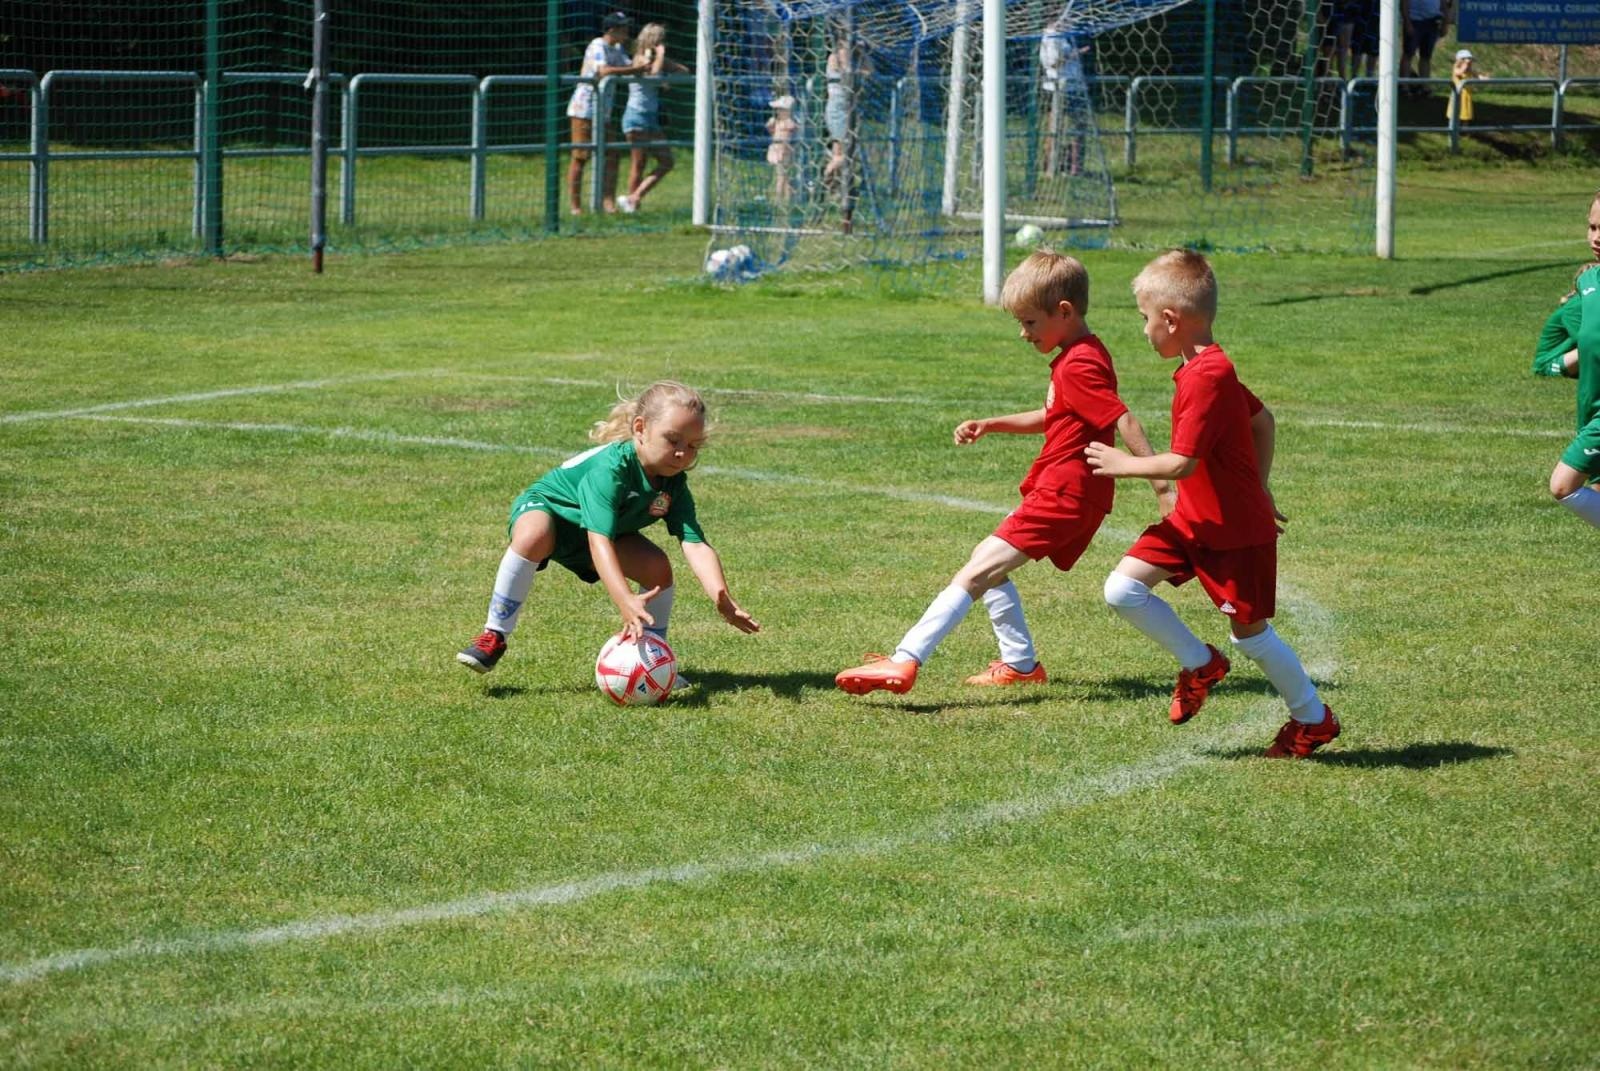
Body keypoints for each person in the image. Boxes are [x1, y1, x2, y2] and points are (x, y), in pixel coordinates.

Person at [835, 251, 1171, 696]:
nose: (1023, 334)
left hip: (1065, 493)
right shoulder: (1080, 354)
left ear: (1064, 312)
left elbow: (1122, 418)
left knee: (976, 572)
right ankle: (1020, 663)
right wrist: (992, 424)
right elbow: (1055, 414)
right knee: (986, 562)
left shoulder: (1081, 362)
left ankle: (905, 659)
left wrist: (1162, 485)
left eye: (1030, 322)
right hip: (1063, 491)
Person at [1085, 249, 1340, 759]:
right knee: (1122, 589)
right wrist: (1260, 485)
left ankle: (1313, 719)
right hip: (1192, 522)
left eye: (1144, 319)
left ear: (1171, 319)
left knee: (1251, 636)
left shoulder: (1207, 376)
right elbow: (1263, 420)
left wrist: (1122, 464)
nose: (1143, 330)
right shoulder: (1202, 366)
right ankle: (1201, 664)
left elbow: (1182, 464)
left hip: (1233, 533)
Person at [457, 381, 761, 679]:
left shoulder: (674, 485)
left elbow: (694, 543)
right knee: (533, 534)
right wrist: (624, 598)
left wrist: (720, 595)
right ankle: (494, 635)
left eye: (693, 446)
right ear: (640, 428)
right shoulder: (611, 469)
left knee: (657, 567)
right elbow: (598, 540)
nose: (683, 453)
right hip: (554, 515)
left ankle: (653, 656)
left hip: (601, 533)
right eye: (672, 440)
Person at [1530, 189, 1600, 531]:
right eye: (1592, 227)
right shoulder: (1589, 282)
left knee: (1563, 485)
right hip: (1590, 409)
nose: (1597, 237)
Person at [566, 11, 647, 216]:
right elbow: (604, 71)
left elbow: (630, 66)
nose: (627, 32)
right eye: (623, 28)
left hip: (603, 113)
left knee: (612, 154)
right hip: (584, 110)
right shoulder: (597, 45)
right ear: (612, 30)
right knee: (581, 157)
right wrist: (634, 70)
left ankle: (607, 202)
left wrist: (648, 61)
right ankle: (576, 208)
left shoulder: (617, 49)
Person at [618, 22, 690, 214]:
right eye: (661, 40)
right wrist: (661, 56)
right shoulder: (640, 58)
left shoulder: (657, 60)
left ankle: (633, 199)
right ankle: (632, 205)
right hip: (636, 116)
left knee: (666, 161)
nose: (663, 43)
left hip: (651, 118)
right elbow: (653, 73)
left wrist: (667, 70)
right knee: (638, 163)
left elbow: (684, 71)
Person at [766, 95, 799, 203]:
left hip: (784, 152)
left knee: (783, 177)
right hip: (777, 151)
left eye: (781, 109)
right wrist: (770, 126)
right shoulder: (778, 122)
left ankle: (779, 199)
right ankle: (786, 199)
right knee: (782, 176)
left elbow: (793, 128)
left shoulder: (788, 122)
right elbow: (772, 132)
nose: (778, 112)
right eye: (777, 110)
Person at [1446, 48, 1485, 123]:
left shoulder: (1470, 70)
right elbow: (1459, 73)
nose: (1469, 63)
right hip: (1458, 94)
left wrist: (1483, 78)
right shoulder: (1456, 68)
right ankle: (1454, 128)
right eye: (1465, 60)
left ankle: (1465, 129)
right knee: (1455, 112)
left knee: (1466, 113)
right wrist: (1465, 65)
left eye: (1470, 61)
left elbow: (1477, 75)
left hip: (1466, 95)